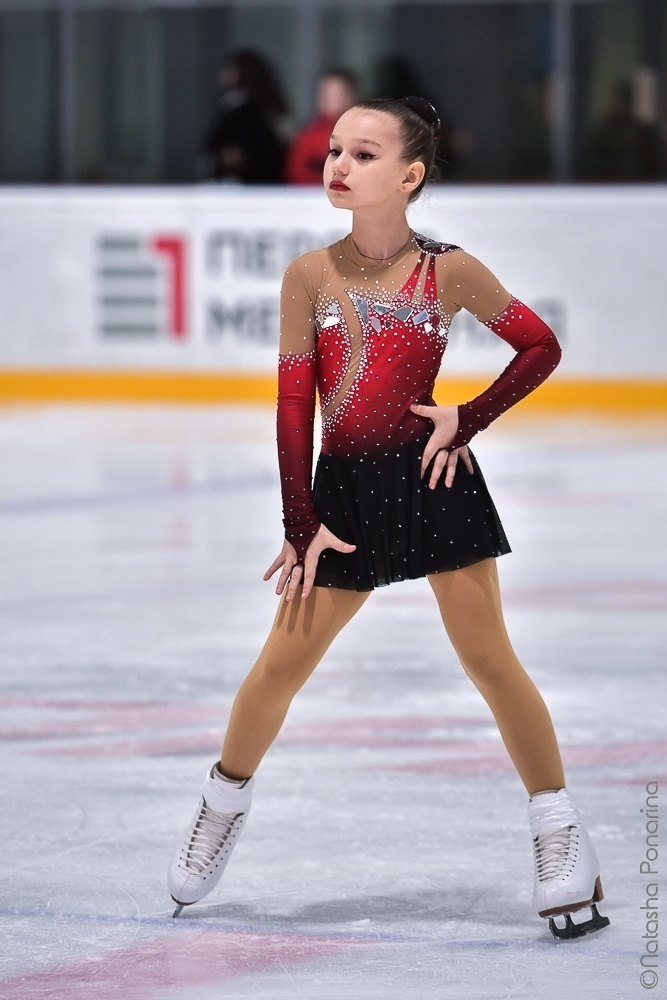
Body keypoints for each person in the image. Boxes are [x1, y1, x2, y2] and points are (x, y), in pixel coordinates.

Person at [168, 95, 610, 941]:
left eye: (363, 155)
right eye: (335, 149)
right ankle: (220, 806)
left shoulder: (448, 270)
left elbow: (540, 346)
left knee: (489, 660)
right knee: (277, 668)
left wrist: (468, 417)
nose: (338, 164)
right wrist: (300, 521)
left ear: (408, 175)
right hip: (342, 497)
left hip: (434, 481)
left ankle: (559, 836)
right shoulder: (308, 274)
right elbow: (293, 405)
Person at [200, 49, 289, 184]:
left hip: (247, 186)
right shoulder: (270, 108)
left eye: (229, 69)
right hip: (266, 186)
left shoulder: (244, 110)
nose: (223, 75)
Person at [284, 69, 358, 185]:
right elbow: (295, 172)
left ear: (351, 96)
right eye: (325, 94)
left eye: (337, 95)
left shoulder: (363, 134)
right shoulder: (307, 136)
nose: (330, 100)